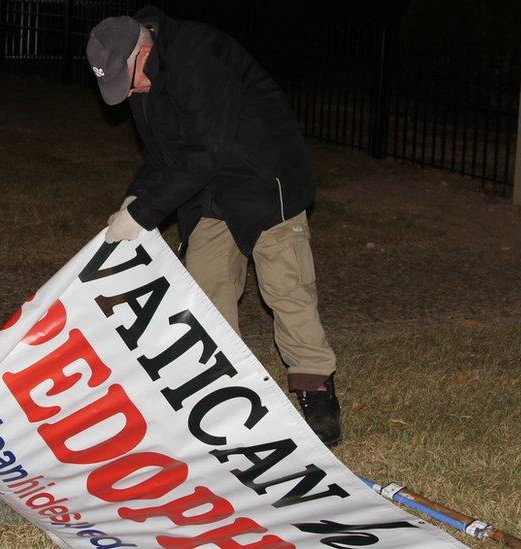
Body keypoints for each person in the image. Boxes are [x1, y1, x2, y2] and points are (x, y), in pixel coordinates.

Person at [85, 6, 341, 447]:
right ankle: (226, 393)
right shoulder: (144, 81)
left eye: (124, 83)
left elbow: (205, 151)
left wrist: (145, 214)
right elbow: (164, 157)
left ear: (140, 51)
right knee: (204, 289)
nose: (127, 96)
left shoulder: (198, 57)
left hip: (264, 176)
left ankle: (316, 391)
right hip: (211, 190)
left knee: (286, 288)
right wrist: (134, 198)